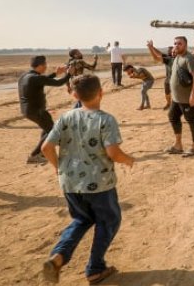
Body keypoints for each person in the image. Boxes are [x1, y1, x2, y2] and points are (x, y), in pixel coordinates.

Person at [40, 74, 134, 285]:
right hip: (99, 184)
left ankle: (58, 256)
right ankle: (95, 268)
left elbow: (46, 147)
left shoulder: (65, 117)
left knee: (82, 219)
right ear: (101, 92)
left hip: (70, 183)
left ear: (75, 95)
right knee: (109, 220)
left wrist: (58, 168)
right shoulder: (105, 119)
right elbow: (113, 152)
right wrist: (128, 159)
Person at [19, 55, 70, 164]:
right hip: (36, 111)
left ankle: (41, 153)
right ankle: (34, 155)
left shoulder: (25, 76)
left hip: (27, 110)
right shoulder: (35, 78)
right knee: (52, 131)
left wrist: (56, 73)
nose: (46, 67)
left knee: (47, 129)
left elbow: (43, 80)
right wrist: (69, 74)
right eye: (45, 64)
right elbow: (58, 83)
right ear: (41, 65)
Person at [167, 36, 194, 157]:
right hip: (177, 98)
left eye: (179, 44)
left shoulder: (189, 59)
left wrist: (193, 95)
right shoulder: (177, 57)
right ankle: (178, 145)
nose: (176, 45)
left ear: (185, 45)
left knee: (192, 120)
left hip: (187, 98)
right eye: (175, 43)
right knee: (172, 116)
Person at [147, 37, 194, 110]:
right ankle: (169, 103)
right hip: (168, 80)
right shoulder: (168, 59)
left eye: (174, 51)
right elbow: (158, 55)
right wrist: (151, 47)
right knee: (167, 93)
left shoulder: (182, 58)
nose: (173, 52)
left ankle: (180, 106)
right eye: (171, 51)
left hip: (179, 81)